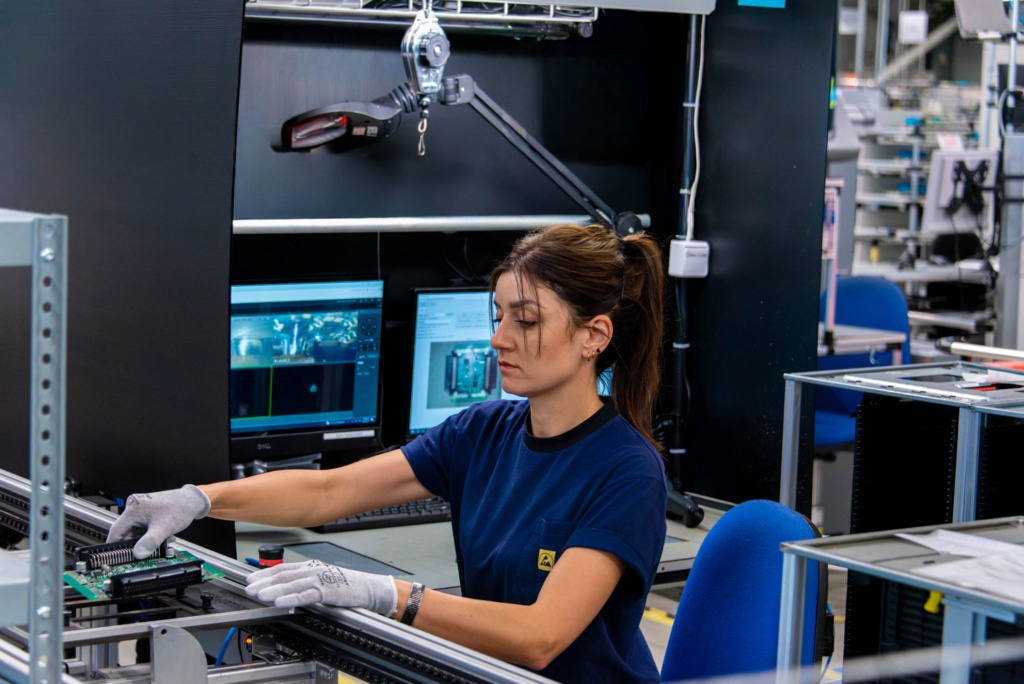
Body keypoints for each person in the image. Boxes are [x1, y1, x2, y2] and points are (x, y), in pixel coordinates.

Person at [108, 223, 669, 683]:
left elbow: (540, 636)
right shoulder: (482, 432)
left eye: (525, 321)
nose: (499, 338)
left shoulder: (627, 472)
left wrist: (389, 594)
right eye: (498, 316)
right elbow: (329, 492)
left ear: (594, 336)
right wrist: (199, 499)